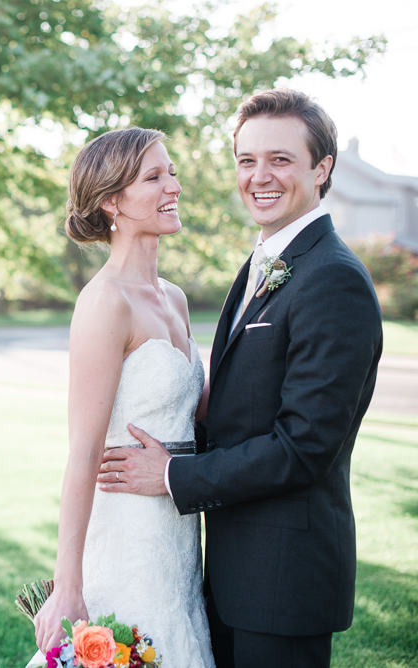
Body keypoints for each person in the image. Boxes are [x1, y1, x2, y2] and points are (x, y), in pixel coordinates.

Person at [99, 89, 383, 668]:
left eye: (280, 159)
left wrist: (175, 473)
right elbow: (238, 409)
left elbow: (304, 447)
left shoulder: (334, 281)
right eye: (247, 161)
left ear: (322, 168)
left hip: (285, 581)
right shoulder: (265, 263)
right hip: (228, 575)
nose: (259, 177)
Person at [28, 127, 215, 668]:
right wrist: (67, 583)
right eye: (154, 177)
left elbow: (196, 412)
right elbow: (83, 452)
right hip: (127, 532)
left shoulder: (174, 298)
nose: (173, 185)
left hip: (177, 531)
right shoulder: (103, 303)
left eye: (172, 172)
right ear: (112, 201)